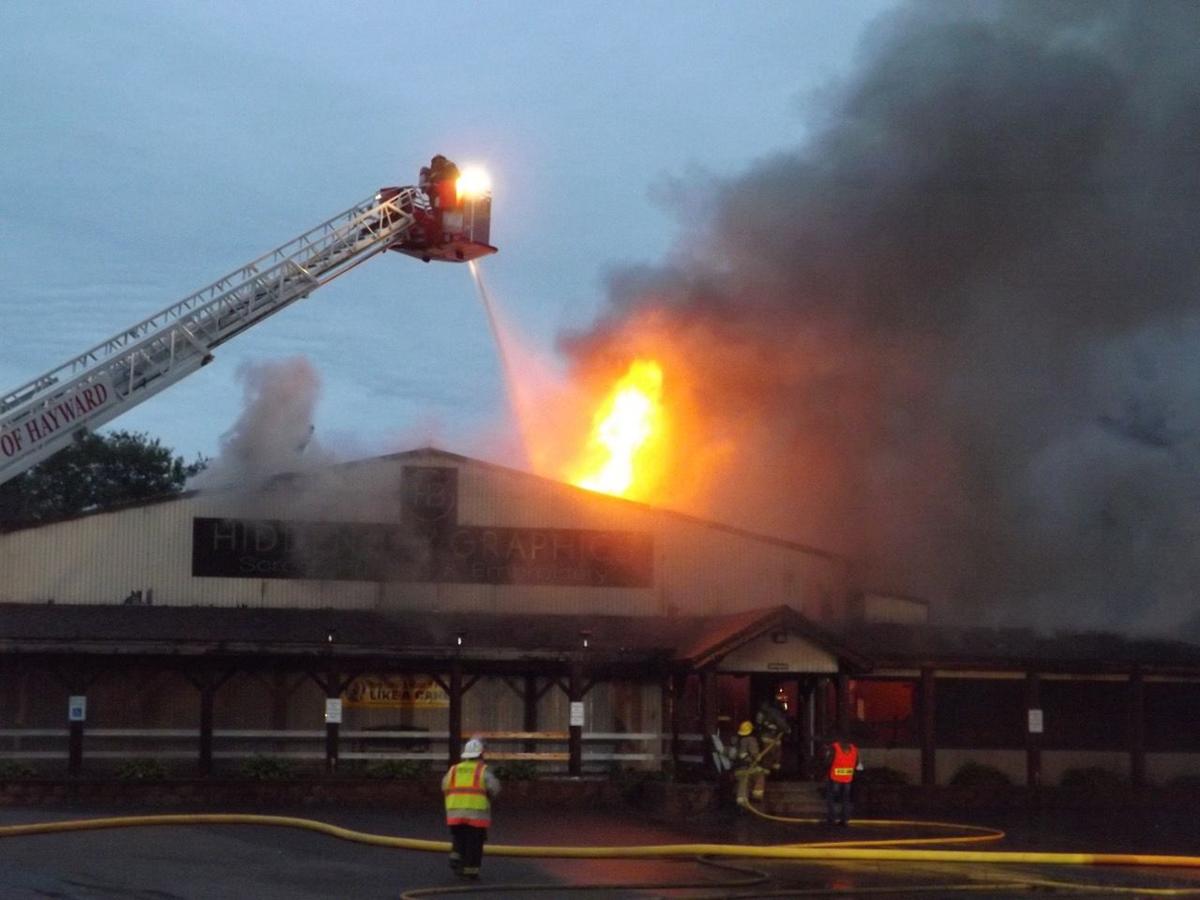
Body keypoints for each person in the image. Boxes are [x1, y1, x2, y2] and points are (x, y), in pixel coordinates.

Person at [442, 737, 501, 880]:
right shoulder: (483, 771)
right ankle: (470, 871)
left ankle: (456, 856)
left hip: (455, 813)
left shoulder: (454, 770)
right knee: (474, 844)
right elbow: (494, 788)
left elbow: (444, 786)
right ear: (481, 754)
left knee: (459, 837)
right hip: (476, 814)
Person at [822, 733, 863, 826]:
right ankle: (845, 819)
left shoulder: (834, 748)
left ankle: (831, 818)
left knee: (831, 797)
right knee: (845, 799)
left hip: (834, 777)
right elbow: (857, 764)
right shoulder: (854, 750)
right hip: (847, 778)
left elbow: (828, 762)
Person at [728, 720, 766, 807]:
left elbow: (730, 754)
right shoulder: (751, 740)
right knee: (760, 773)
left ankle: (741, 800)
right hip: (748, 768)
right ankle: (757, 796)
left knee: (743, 781)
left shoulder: (735, 740)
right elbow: (755, 753)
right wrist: (758, 757)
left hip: (737, 769)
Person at [754, 693, 791, 774]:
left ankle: (766, 769)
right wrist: (787, 729)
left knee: (767, 754)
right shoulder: (775, 712)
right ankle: (773, 769)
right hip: (774, 736)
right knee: (774, 753)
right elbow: (781, 723)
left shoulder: (761, 712)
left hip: (765, 736)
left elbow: (758, 723)